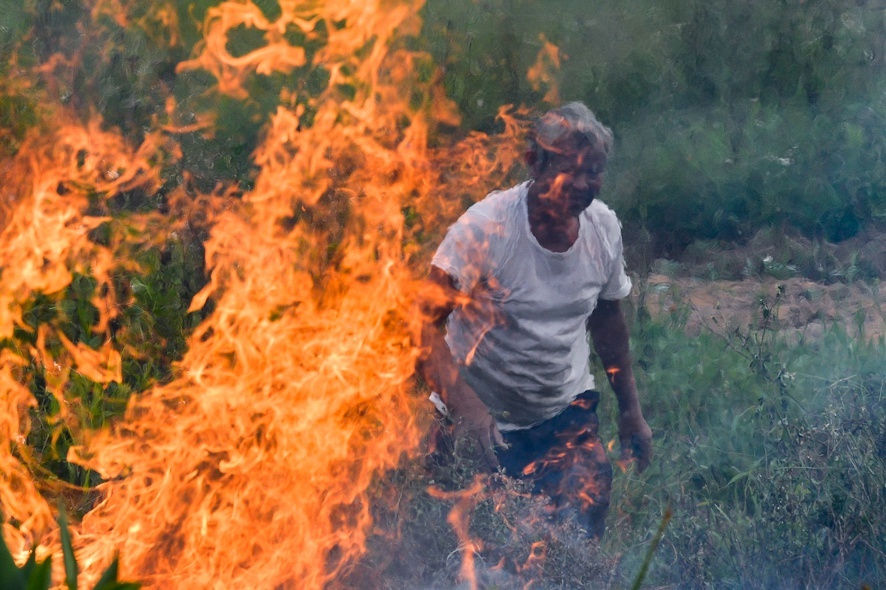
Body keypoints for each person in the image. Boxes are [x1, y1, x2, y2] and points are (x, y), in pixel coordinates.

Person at [415, 102, 652, 539]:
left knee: (586, 511)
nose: (582, 185)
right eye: (568, 169)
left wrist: (631, 412)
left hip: (562, 409)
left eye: (594, 171)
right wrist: (468, 410)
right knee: (472, 543)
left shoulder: (603, 229)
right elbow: (422, 326)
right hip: (478, 414)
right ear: (533, 163)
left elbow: (608, 320)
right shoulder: (486, 229)